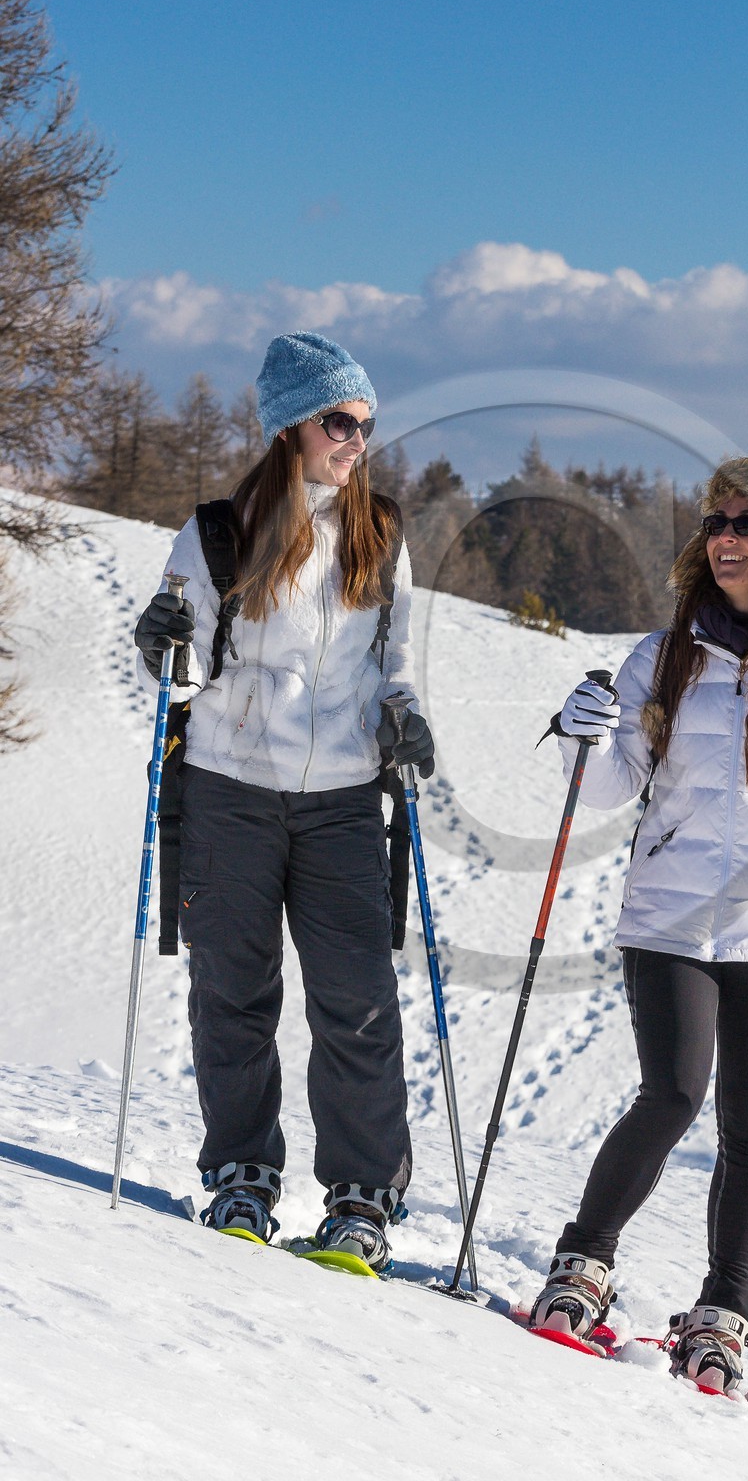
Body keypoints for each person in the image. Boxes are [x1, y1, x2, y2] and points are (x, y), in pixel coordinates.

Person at [528, 455, 748, 1393]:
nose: (724, 536)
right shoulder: (665, 654)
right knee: (672, 1094)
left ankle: (724, 1312)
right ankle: (582, 1264)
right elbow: (610, 786)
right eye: (716, 520)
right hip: (671, 914)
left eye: (746, 523)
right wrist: (583, 732)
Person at [133, 331, 433, 1269]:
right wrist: (161, 640)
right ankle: (242, 1180)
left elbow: (398, 664)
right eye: (338, 421)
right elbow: (176, 667)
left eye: (365, 424)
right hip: (228, 789)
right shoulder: (218, 531)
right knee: (232, 995)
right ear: (288, 428)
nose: (355, 440)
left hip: (343, 798)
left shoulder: (380, 531)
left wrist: (407, 720)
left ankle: (360, 1201)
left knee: (357, 1001)